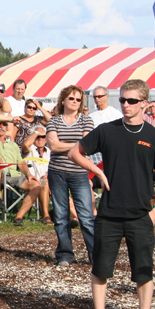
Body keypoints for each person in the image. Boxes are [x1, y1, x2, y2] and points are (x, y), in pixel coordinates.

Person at [68, 79, 155, 309]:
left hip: (141, 214)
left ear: (144, 103)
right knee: (100, 268)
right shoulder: (107, 131)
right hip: (109, 214)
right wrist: (97, 170)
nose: (125, 104)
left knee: (143, 270)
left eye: (131, 100)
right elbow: (74, 153)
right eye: (122, 99)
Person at [46, 85, 95, 267]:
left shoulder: (86, 120)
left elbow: (87, 145)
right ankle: (65, 255)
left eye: (78, 99)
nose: (75, 102)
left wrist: (64, 143)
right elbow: (53, 146)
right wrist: (76, 144)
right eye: (71, 98)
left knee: (86, 216)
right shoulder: (54, 121)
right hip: (57, 172)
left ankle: (95, 255)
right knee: (60, 215)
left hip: (79, 172)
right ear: (63, 100)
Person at [0, 98, 41, 226]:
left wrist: (29, 174)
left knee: (36, 186)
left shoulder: (13, 145)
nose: (1, 127)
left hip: (12, 176)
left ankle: (18, 217)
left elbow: (21, 163)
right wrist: (10, 119)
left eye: (4, 125)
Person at [21, 125, 52, 225]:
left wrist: (49, 176)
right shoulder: (30, 150)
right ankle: (46, 216)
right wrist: (36, 132)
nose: (41, 139)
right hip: (33, 181)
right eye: (38, 137)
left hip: (50, 180)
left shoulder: (50, 152)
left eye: (43, 137)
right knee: (45, 184)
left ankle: (75, 218)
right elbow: (25, 145)